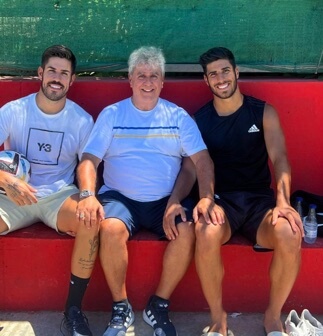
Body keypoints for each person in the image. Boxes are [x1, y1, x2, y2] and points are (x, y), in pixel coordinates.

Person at [76, 46, 215, 336]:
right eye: (142, 75)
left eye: (154, 76)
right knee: (110, 228)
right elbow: (89, 160)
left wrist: (205, 199)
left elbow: (202, 161)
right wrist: (88, 195)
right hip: (119, 197)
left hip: (166, 201)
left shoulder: (177, 117)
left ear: (163, 81)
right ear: (130, 79)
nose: (148, 82)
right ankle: (120, 306)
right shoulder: (112, 114)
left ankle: (159, 305)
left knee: (188, 229)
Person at [193, 46, 304, 336]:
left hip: (260, 204)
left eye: (225, 71)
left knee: (291, 232)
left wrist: (283, 202)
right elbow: (192, 168)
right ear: (206, 81)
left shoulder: (263, 112)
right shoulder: (200, 120)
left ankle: (273, 317)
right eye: (213, 74)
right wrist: (198, 200)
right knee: (204, 233)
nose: (220, 78)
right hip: (222, 203)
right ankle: (219, 320)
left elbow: (280, 158)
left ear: (236, 72)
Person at [0, 45, 99, 336]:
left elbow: (88, 163)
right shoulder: (14, 110)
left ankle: (73, 311)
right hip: (14, 194)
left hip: (58, 196)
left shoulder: (81, 120)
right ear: (40, 74)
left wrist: (87, 196)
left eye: (64, 73)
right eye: (52, 71)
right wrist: (6, 180)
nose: (57, 78)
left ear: (72, 80)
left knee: (91, 220)